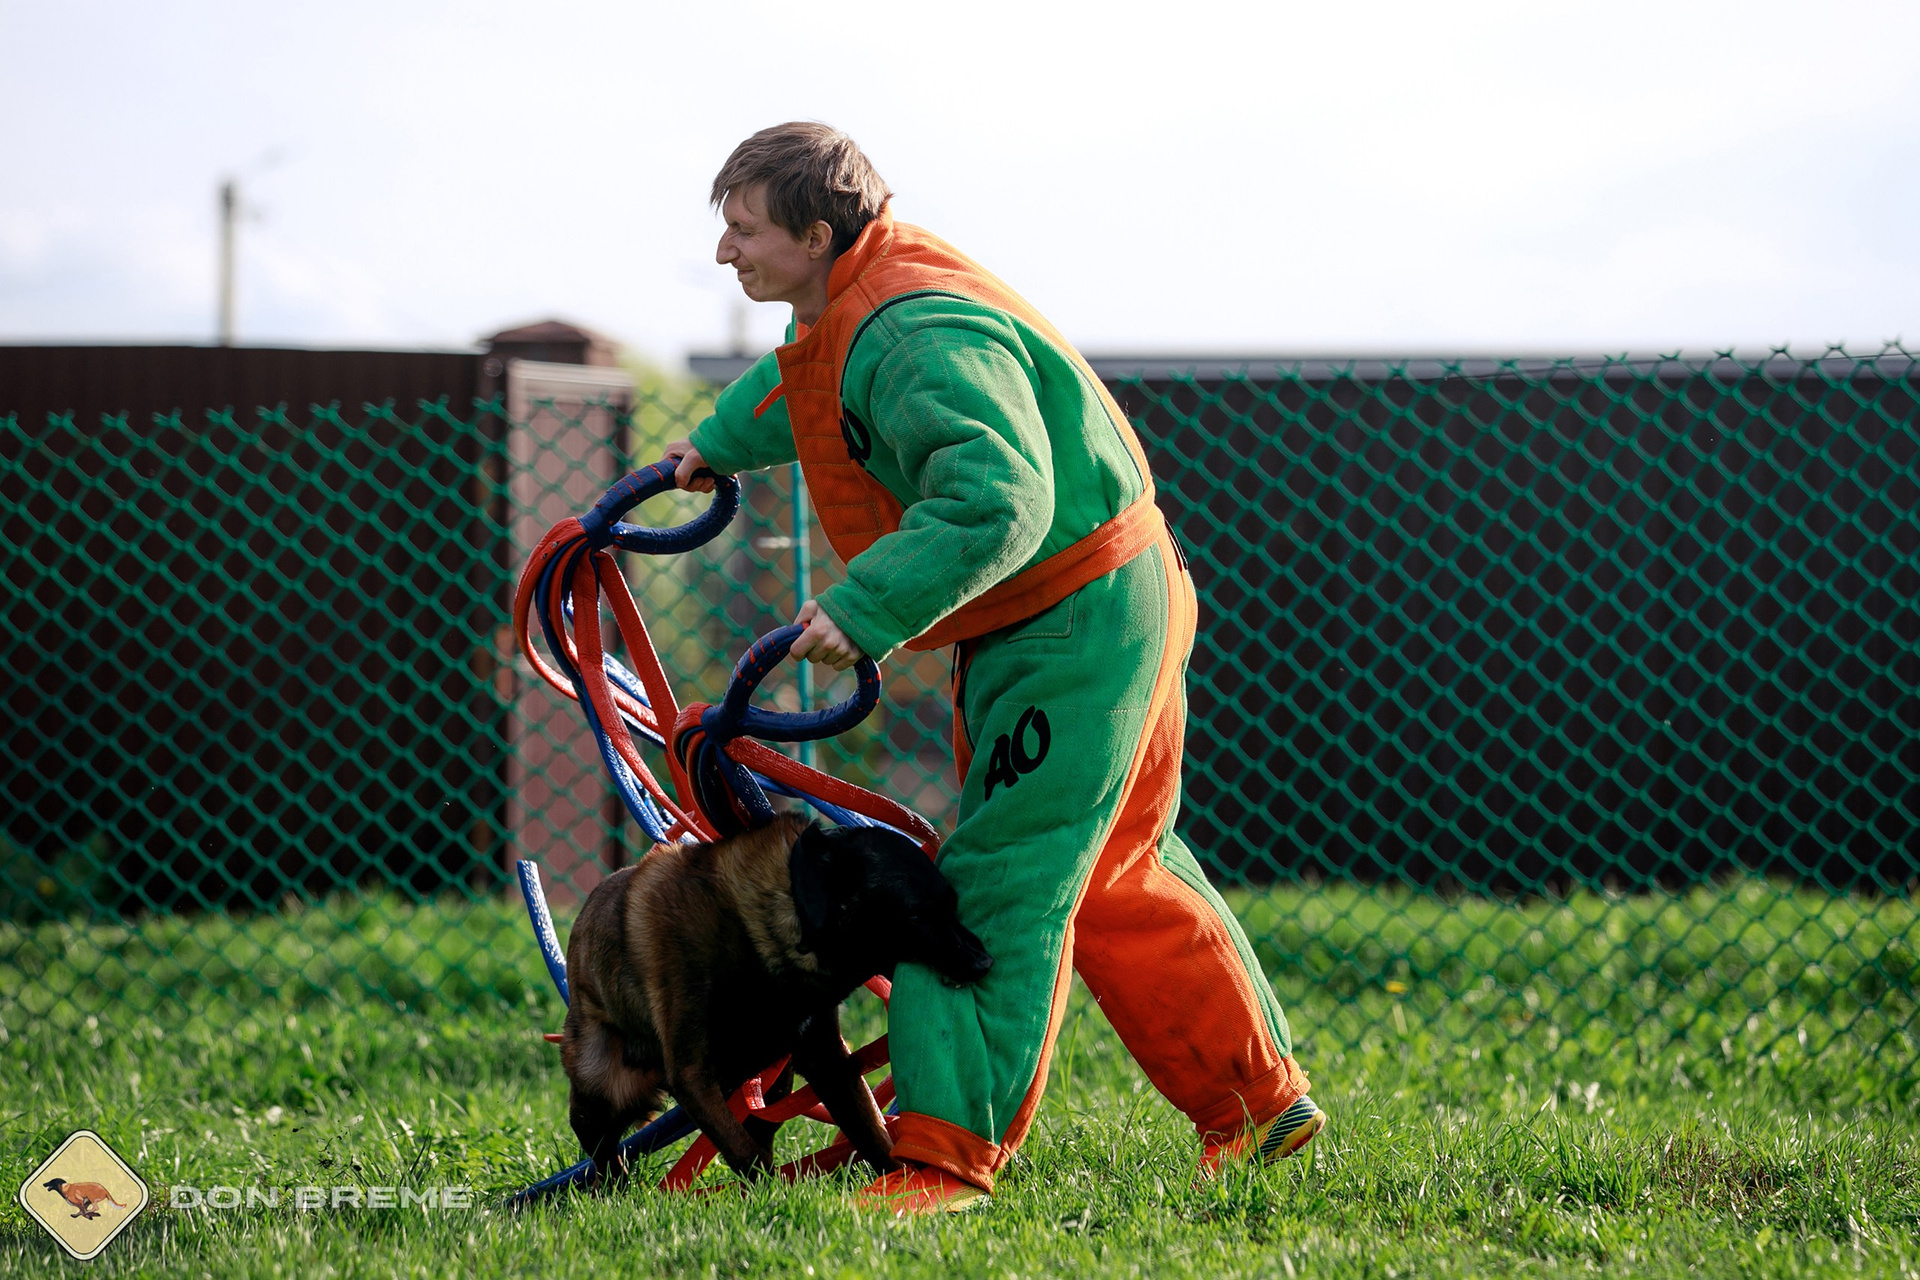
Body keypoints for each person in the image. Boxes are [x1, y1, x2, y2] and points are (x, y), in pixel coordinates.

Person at [666, 122, 1323, 1215]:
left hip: (1072, 615)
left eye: (745, 230)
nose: (726, 250)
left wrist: (865, 607)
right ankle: (1258, 1106)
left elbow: (999, 498)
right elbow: (808, 388)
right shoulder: (853, 299)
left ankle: (945, 1156)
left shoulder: (915, 331)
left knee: (988, 883)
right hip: (1090, 599)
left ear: (817, 235)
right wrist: (713, 446)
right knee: (1112, 866)